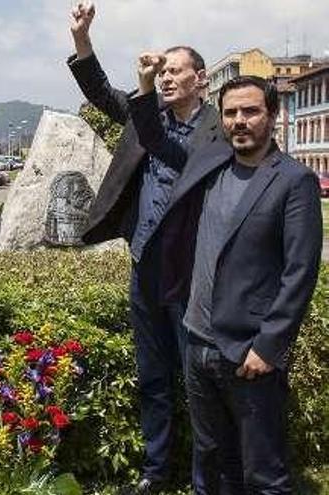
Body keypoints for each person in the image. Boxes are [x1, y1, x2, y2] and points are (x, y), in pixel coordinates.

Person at [131, 70, 323, 494]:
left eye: (251, 111)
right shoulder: (209, 166)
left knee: (264, 474)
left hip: (249, 354)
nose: (240, 120)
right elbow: (155, 139)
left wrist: (269, 347)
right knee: (213, 466)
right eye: (231, 112)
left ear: (272, 115)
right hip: (197, 344)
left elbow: (300, 273)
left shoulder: (295, 181)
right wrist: (146, 87)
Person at [67, 3, 222, 491]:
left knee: (198, 383)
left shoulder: (218, 128)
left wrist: (145, 91)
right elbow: (99, 92)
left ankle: (205, 480)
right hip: (145, 265)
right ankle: (155, 473)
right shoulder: (144, 114)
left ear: (200, 78)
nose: (166, 77)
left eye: (175, 70)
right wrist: (83, 41)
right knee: (152, 376)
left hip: (192, 271)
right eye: (162, 70)